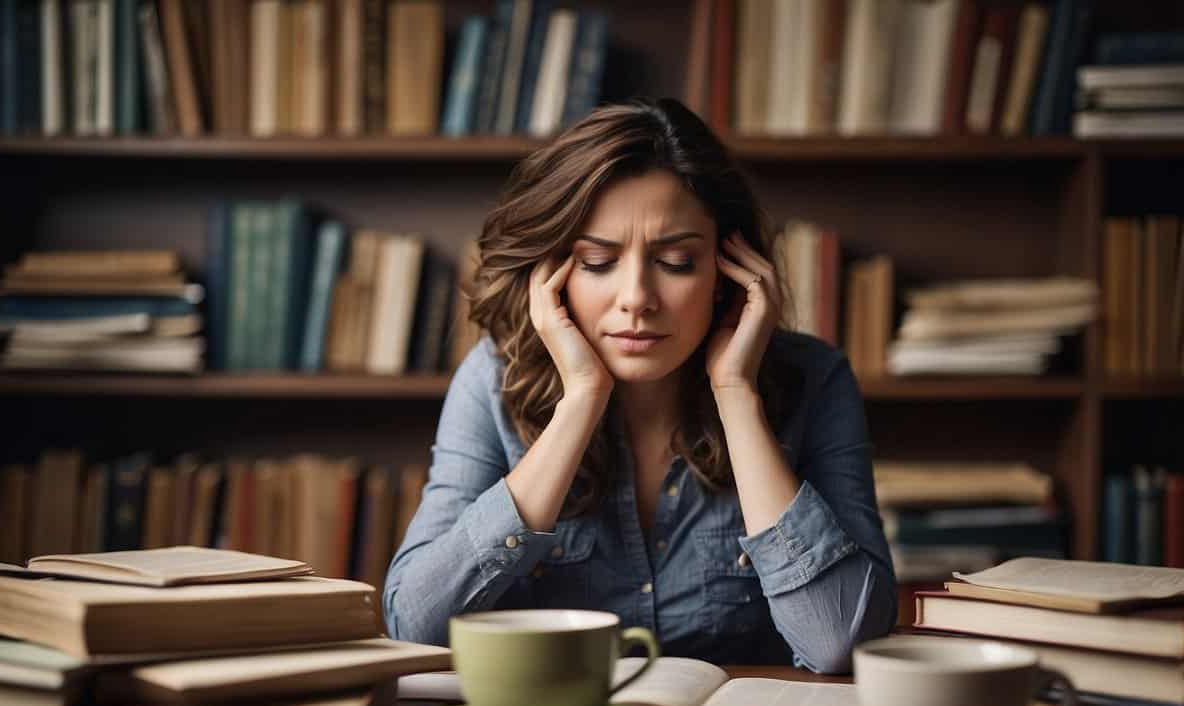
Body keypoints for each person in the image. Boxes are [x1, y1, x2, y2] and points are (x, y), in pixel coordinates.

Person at [383, 98, 895, 672]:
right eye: (599, 262)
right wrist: (579, 401)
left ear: (731, 272)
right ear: (552, 273)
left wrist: (736, 395)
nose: (636, 298)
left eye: (676, 261)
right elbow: (416, 627)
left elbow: (842, 643)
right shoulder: (492, 381)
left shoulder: (815, 382)